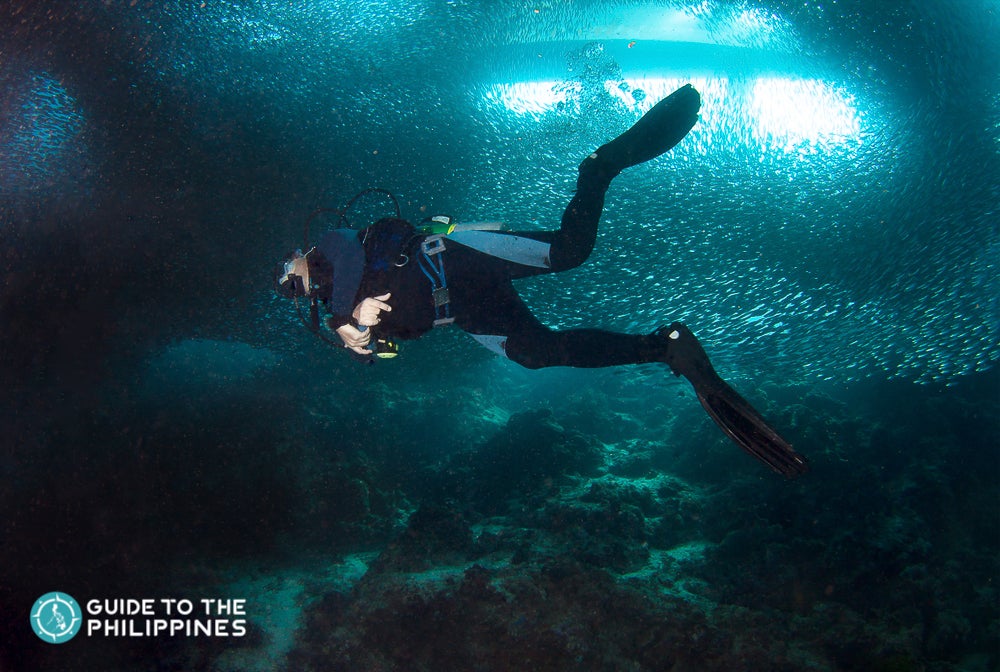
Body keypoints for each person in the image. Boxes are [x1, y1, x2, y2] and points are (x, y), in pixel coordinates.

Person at [276, 84, 808, 478]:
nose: (298, 279)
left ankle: (599, 167)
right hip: (462, 313)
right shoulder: (338, 312)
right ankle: (663, 348)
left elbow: (346, 248)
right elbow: (371, 360)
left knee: (569, 252)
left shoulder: (333, 250)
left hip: (456, 259)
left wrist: (349, 315)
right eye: (295, 289)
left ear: (300, 257)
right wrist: (359, 337)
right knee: (535, 354)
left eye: (291, 270)